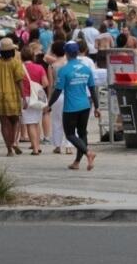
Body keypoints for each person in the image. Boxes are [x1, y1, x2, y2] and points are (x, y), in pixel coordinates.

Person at [46, 42, 99, 171]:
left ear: (66, 53)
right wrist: (97, 107)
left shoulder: (64, 70)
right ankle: (77, 162)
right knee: (82, 134)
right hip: (85, 106)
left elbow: (57, 91)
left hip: (71, 107)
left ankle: (88, 153)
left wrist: (49, 105)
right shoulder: (86, 69)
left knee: (70, 134)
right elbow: (93, 90)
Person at [0, 38, 25, 156]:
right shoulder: (16, 62)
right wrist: (24, 97)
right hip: (13, 95)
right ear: (12, 50)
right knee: (15, 120)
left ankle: (9, 149)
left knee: (4, 123)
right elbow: (20, 80)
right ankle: (14, 142)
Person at [20, 46, 48, 155]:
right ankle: (38, 145)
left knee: (30, 124)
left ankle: (35, 148)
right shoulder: (39, 67)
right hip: (37, 97)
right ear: (33, 56)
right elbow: (45, 83)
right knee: (36, 122)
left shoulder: (19, 68)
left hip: (25, 97)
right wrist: (37, 87)